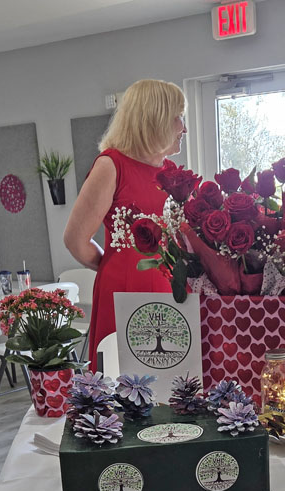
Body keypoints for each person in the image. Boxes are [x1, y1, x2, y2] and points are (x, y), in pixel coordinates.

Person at [64, 79, 187, 369]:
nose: (183, 127)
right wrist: (117, 264)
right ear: (156, 119)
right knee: (121, 378)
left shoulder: (171, 171)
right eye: (178, 117)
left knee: (175, 377)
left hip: (172, 289)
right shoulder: (111, 165)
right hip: (125, 291)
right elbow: (75, 240)